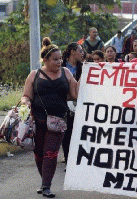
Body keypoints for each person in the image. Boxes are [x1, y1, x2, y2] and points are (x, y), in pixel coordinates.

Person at [21, 37, 78, 198]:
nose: (59, 62)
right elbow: (26, 95)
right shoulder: (34, 75)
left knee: (51, 152)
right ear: (45, 60)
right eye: (55, 59)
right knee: (39, 153)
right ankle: (44, 181)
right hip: (37, 120)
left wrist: (84, 80)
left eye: (61, 58)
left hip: (59, 119)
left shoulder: (66, 73)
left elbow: (74, 94)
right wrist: (25, 104)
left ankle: (46, 185)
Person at [61, 42, 84, 168]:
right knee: (67, 130)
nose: (83, 53)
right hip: (64, 103)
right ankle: (67, 155)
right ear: (72, 52)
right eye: (80, 51)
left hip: (79, 102)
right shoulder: (61, 65)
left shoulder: (83, 66)